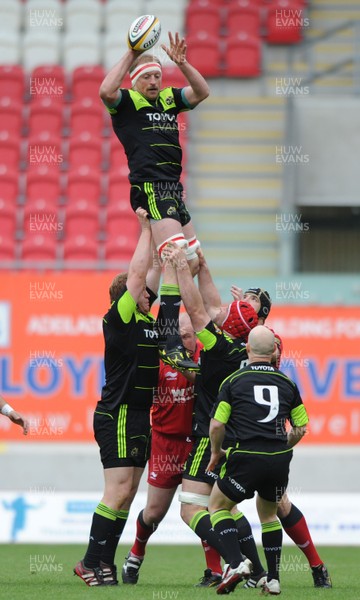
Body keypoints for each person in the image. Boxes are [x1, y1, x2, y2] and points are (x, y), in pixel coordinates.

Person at [198, 255, 332, 589]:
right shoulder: (246, 335)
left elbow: (211, 315)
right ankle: (245, 572)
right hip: (257, 437)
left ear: (261, 315)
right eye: (245, 298)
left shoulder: (264, 341)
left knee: (244, 504)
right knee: (254, 504)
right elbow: (216, 309)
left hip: (243, 429)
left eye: (253, 300)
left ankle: (306, 567)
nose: (246, 302)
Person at [99, 31, 210, 368]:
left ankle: (191, 328)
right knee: (176, 258)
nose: (153, 82)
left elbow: (203, 91)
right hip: (151, 188)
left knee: (192, 262)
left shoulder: (169, 99)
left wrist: (183, 63)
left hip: (174, 190)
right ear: (135, 82)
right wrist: (133, 53)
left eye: (157, 77)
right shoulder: (128, 105)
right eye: (147, 77)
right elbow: (105, 90)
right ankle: (171, 339)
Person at [161, 243, 264, 587]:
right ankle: (260, 573)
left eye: (228, 312)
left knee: (190, 508)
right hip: (239, 438)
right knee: (227, 508)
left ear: (229, 323)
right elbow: (213, 306)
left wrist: (179, 268)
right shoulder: (246, 349)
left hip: (210, 435)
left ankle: (235, 563)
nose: (220, 311)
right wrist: (202, 266)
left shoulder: (218, 347)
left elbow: (196, 307)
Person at [74, 208, 161, 587]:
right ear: (128, 296)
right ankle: (90, 562)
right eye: (142, 291)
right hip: (119, 413)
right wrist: (144, 228)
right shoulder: (119, 317)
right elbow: (140, 274)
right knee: (119, 490)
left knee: (127, 495)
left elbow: (152, 272)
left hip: (140, 415)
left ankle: (104, 564)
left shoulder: (145, 317)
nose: (148, 294)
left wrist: (163, 232)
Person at [207, 326, 309, 596]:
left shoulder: (232, 381)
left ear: (248, 349)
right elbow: (301, 426)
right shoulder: (288, 383)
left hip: (245, 457)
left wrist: (216, 452)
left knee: (217, 506)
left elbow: (217, 424)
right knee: (269, 515)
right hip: (278, 459)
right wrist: (280, 446)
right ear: (274, 351)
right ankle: (273, 579)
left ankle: (238, 563)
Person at [122, 312, 203, 584]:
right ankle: (135, 555)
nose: (184, 341)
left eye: (189, 336)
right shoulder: (158, 360)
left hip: (195, 443)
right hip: (164, 443)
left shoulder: (205, 359)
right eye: (179, 337)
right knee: (154, 512)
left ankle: (214, 570)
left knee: (200, 509)